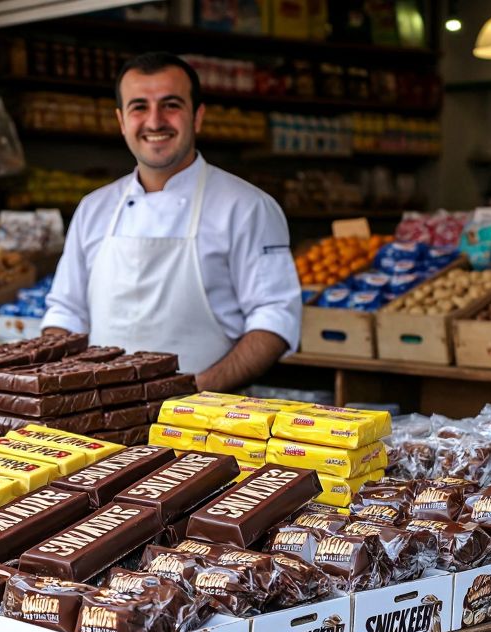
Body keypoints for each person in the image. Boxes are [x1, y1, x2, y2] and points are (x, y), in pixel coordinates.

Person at [42, 52, 301, 393]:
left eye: (171, 105)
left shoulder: (248, 207)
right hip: (100, 417)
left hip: (209, 420)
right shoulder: (94, 208)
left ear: (198, 117)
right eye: (139, 107)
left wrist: (194, 394)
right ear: (121, 121)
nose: (154, 121)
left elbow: (275, 317)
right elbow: (66, 312)